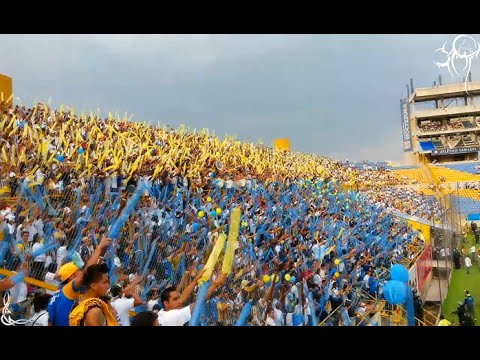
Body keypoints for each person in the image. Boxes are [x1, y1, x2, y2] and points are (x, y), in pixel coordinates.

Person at [48, 237, 111, 326]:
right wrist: (98, 248)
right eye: (78, 271)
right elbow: (86, 273)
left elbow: (50, 322)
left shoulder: (59, 293)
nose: (81, 272)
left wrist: (101, 254)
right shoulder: (68, 290)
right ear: (71, 277)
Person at [158, 270, 227, 326]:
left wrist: (195, 281)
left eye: (178, 298)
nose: (179, 301)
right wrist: (215, 283)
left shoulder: (162, 313)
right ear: (166, 303)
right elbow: (198, 303)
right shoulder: (173, 316)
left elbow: (182, 298)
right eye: (175, 299)